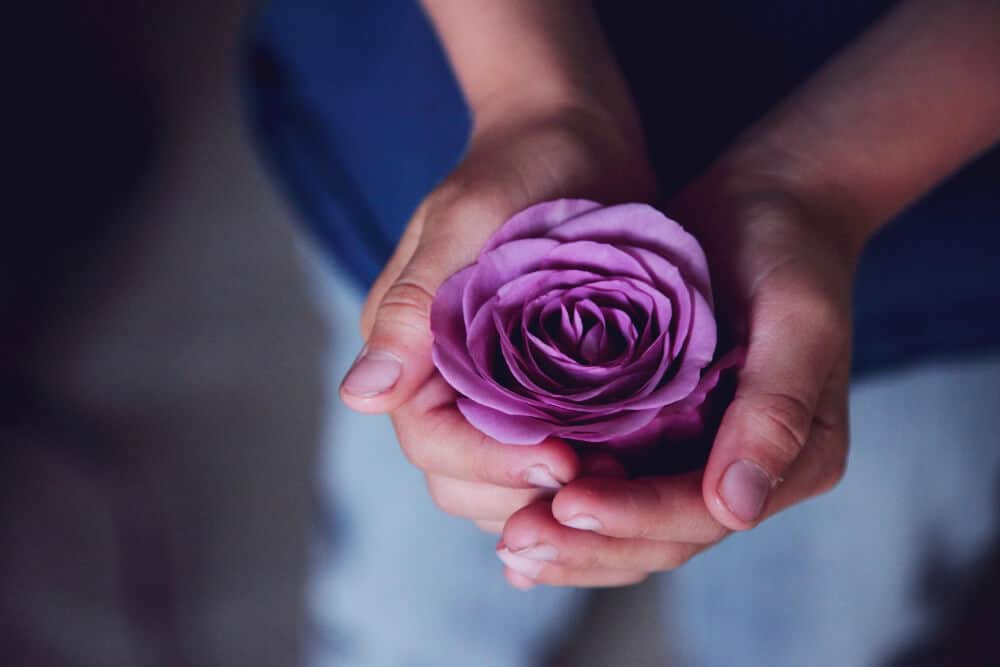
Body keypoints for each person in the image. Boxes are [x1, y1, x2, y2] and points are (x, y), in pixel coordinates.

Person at [249, 1, 1000, 664]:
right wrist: (533, 94)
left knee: (815, 621)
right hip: (454, 101)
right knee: (410, 585)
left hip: (923, 171)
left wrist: (825, 182)